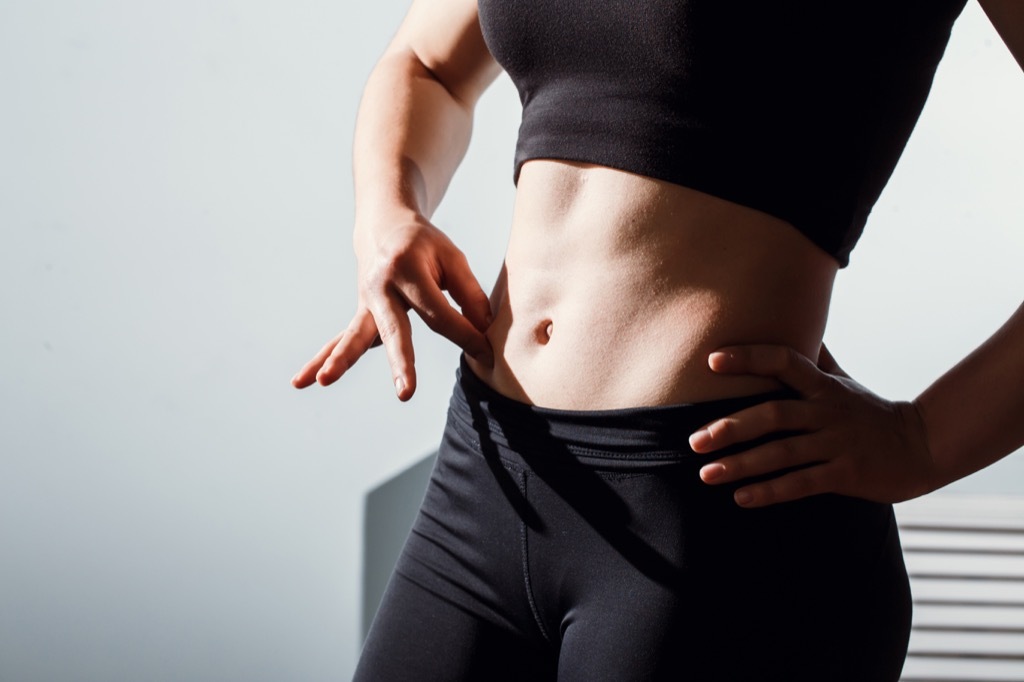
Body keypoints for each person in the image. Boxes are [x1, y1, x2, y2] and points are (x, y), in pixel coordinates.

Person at [293, 0, 1024, 679]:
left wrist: (923, 440)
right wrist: (388, 211)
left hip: (723, 525)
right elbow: (427, 63)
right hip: (484, 479)